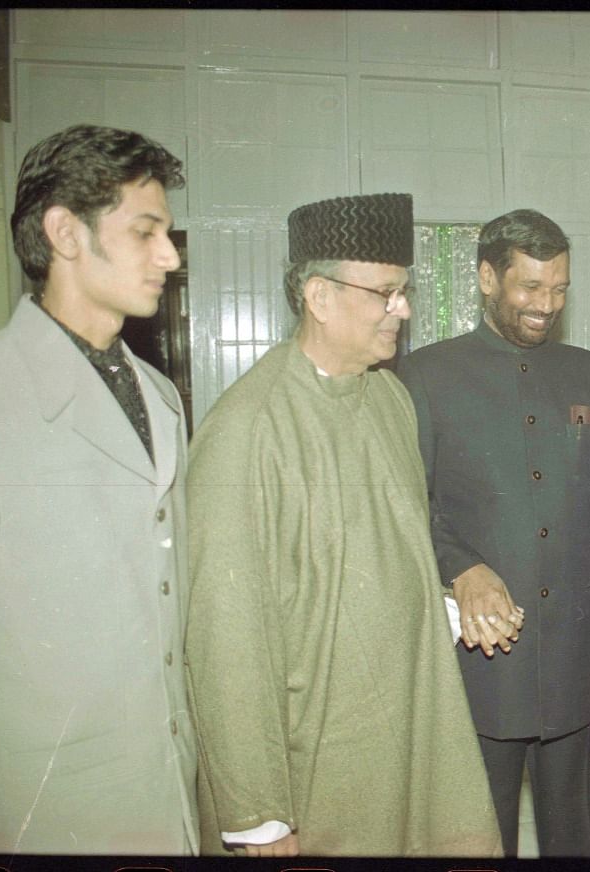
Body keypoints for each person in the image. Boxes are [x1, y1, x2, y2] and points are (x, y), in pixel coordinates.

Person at [183, 194, 501, 857]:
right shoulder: (247, 429)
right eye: (385, 293)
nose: (404, 310)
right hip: (320, 756)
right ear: (318, 296)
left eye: (404, 291)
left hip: (414, 721)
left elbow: (384, 546)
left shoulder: (388, 398)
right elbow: (225, 637)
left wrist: (444, 604)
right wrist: (257, 813)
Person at [0, 124, 198, 854]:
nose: (170, 256)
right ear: (64, 233)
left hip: (168, 801)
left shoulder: (161, 397)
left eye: (167, 234)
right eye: (146, 231)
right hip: (43, 822)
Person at [396, 209, 590, 857]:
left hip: (575, 655)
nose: (547, 305)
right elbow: (406, 503)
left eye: (559, 289)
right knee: (478, 838)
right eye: (530, 287)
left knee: (579, 839)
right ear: (486, 277)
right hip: (480, 663)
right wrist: (460, 565)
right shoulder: (424, 376)